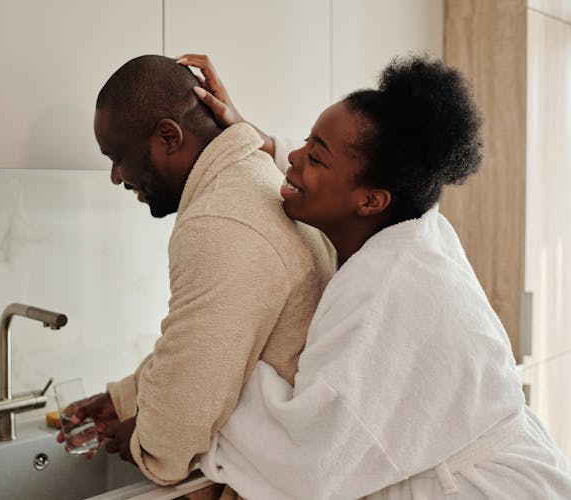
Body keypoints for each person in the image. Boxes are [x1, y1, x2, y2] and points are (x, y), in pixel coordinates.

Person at [177, 54, 571, 499]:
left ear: (371, 201)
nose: (294, 156)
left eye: (316, 157)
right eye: (307, 140)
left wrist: (208, 375)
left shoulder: (389, 290)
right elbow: (343, 166)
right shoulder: (412, 220)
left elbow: (311, 461)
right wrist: (251, 138)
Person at [56, 54, 336, 487]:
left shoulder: (219, 222)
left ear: (169, 136)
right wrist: (125, 399)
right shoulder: (252, 178)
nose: (115, 176)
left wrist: (141, 441)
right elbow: (204, 344)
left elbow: (182, 415)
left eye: (118, 157)